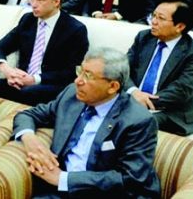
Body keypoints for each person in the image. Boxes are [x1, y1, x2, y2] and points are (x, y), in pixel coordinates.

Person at [14, 47, 160, 198]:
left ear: (112, 87)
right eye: (80, 71)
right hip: (61, 191)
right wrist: (30, 139)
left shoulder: (139, 120)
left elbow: (130, 179)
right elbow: (27, 115)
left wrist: (64, 179)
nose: (78, 81)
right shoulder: (71, 96)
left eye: (88, 76)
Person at [0, 0, 89, 105]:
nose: (33, 4)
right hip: (19, 80)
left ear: (56, 1)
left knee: (27, 93)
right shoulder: (27, 20)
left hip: (49, 85)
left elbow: (71, 72)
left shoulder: (75, 30)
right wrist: (8, 71)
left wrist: (34, 79)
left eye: (40, 0)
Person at [127, 0, 193, 136]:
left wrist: (143, 102)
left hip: (169, 111)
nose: (153, 21)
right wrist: (134, 93)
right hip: (134, 100)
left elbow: (182, 90)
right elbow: (122, 70)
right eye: (153, 15)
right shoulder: (144, 38)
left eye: (161, 18)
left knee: (134, 122)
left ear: (180, 26)